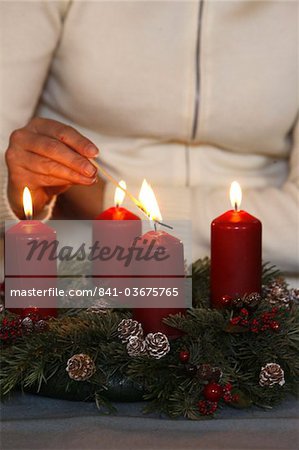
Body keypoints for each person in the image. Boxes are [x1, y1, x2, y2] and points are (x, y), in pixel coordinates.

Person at [0, 0, 298, 285]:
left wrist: (108, 203)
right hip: (80, 277)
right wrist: (17, 195)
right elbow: (7, 157)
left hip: (269, 293)